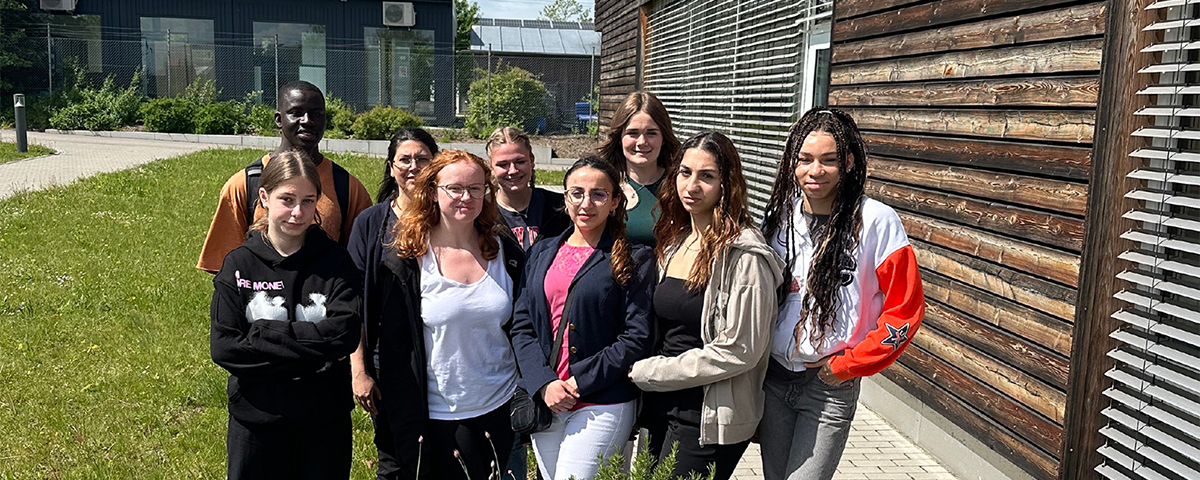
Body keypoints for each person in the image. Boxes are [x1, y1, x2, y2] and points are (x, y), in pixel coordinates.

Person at [757, 108, 925, 480]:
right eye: (804, 159)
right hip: (774, 379)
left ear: (848, 162)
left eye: (828, 161)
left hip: (828, 385)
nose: (815, 171)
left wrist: (847, 365)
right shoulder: (780, 219)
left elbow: (905, 309)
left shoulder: (877, 222)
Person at [629, 132, 784, 480]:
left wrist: (655, 373)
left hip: (707, 414)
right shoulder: (674, 241)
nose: (692, 185)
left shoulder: (744, 255)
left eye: (707, 176)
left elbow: (740, 349)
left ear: (727, 184)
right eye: (685, 173)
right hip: (660, 404)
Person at [366, 150, 526, 480]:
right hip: (436, 417)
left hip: (502, 409)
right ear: (433, 190)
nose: (466, 197)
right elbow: (394, 353)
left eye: (476, 188)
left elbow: (524, 328)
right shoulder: (407, 261)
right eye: (455, 188)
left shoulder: (505, 252)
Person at [209, 150, 363, 480]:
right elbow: (224, 347)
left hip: (324, 422)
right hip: (256, 422)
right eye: (287, 199)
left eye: (308, 201)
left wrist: (262, 334)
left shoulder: (336, 263)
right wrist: (315, 356)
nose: (297, 212)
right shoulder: (238, 265)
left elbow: (344, 335)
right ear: (264, 197)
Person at [509, 156, 655, 480]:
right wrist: (543, 382)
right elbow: (522, 325)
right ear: (565, 199)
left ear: (615, 201)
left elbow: (637, 336)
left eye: (599, 194)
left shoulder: (634, 258)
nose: (586, 203)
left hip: (601, 400)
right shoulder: (542, 251)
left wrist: (579, 382)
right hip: (548, 400)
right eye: (577, 193)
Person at [198, 80, 373, 273]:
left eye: (316, 114)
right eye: (296, 113)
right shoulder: (245, 184)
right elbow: (222, 267)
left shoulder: (347, 187)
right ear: (278, 120)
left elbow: (361, 263)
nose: (307, 120)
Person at [346, 127, 438, 480]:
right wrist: (360, 371)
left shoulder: (451, 218)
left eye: (422, 159)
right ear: (391, 166)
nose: (413, 166)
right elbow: (354, 303)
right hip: (391, 367)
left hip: (446, 363)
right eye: (405, 159)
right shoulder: (371, 223)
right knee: (396, 462)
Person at [598, 91, 681, 247]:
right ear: (619, 138)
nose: (642, 142)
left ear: (664, 138)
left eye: (651, 133)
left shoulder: (679, 186)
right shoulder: (603, 186)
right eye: (633, 133)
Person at [488, 126, 571, 250]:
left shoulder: (561, 207)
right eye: (503, 164)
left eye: (520, 162)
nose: (513, 171)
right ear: (491, 166)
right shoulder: (481, 211)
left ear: (531, 161)